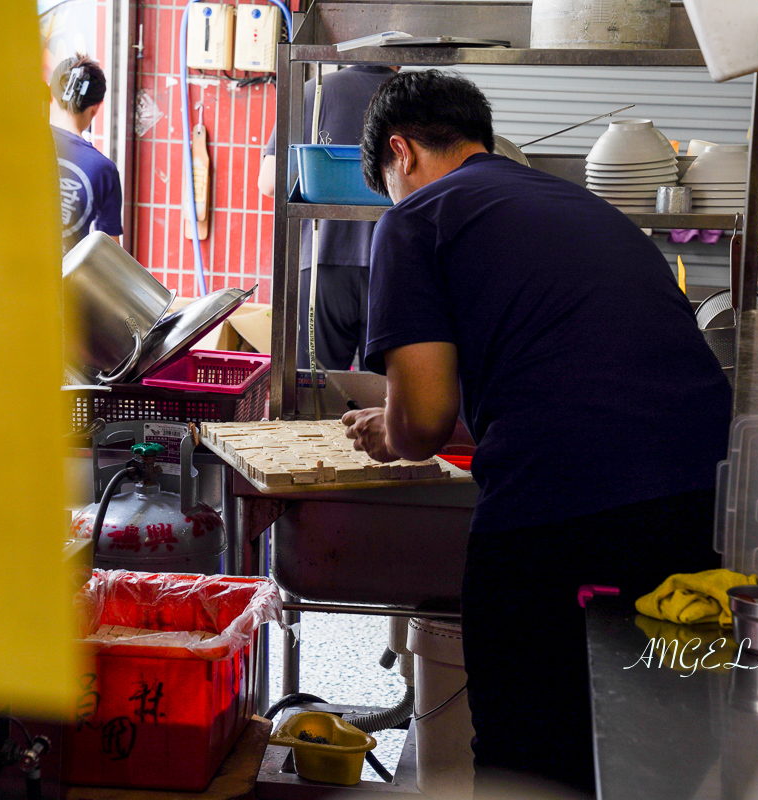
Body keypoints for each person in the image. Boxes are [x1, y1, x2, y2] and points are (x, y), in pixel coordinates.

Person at [341, 70, 732, 796]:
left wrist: (387, 434)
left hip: (564, 506)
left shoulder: (417, 215)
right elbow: (561, 365)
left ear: (401, 153)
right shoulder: (574, 203)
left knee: (530, 754)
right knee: (655, 748)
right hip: (703, 497)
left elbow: (421, 424)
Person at [259, 65, 397, 369]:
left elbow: (269, 182)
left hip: (322, 264)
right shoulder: (414, 97)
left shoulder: (313, 91)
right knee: (385, 395)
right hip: (395, 268)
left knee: (314, 390)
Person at [49, 54, 123, 253]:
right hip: (61, 280)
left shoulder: (22, 140)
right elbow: (110, 255)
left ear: (52, 95)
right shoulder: (103, 170)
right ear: (95, 109)